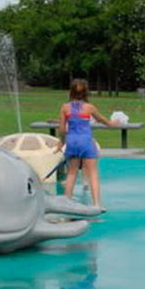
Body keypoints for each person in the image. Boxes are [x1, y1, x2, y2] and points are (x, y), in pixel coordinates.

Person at [57, 79, 116, 211]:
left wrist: (62, 141)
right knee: (93, 173)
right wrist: (113, 123)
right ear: (86, 92)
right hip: (86, 141)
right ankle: (97, 204)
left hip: (72, 141)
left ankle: (66, 203)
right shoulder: (89, 107)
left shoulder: (65, 107)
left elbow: (61, 129)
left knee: (71, 173)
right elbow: (103, 120)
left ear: (71, 92)